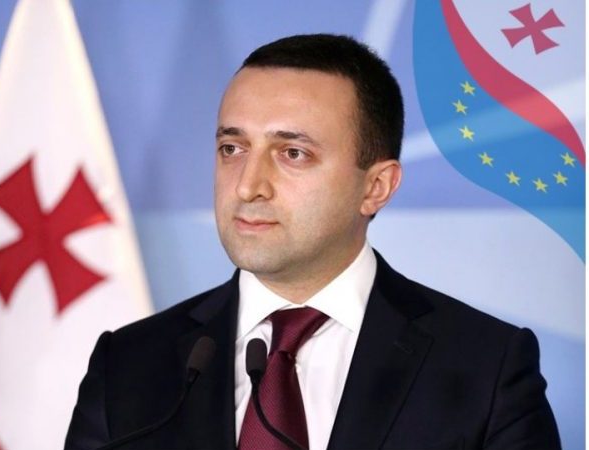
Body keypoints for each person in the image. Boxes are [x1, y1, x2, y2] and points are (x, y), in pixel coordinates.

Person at [64, 34, 560, 450]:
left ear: (376, 187)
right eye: (232, 148)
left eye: (293, 153)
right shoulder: (128, 364)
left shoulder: (486, 366)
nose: (247, 186)